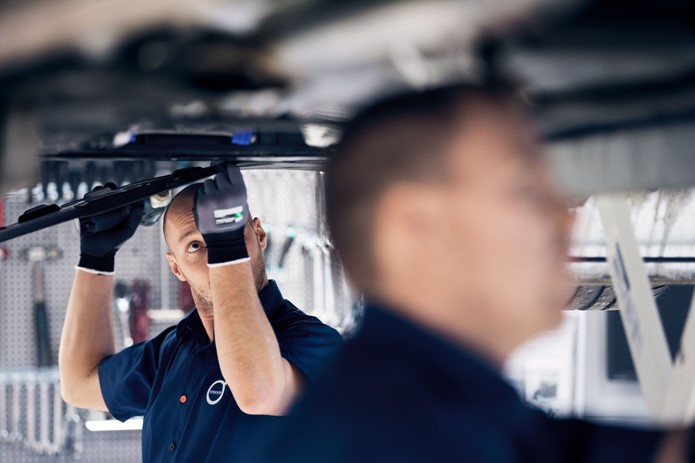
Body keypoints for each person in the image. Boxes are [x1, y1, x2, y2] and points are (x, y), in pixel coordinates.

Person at [241, 85, 692, 462]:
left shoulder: (430, 410)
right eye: (525, 189)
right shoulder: (392, 438)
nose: (565, 219)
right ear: (415, 227)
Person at [58, 164, 343, 462]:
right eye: (195, 245)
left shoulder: (315, 343)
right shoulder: (174, 350)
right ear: (176, 267)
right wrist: (96, 259)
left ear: (259, 234)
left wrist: (228, 249)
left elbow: (258, 392)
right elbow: (80, 383)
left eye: (230, 233)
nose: (214, 254)